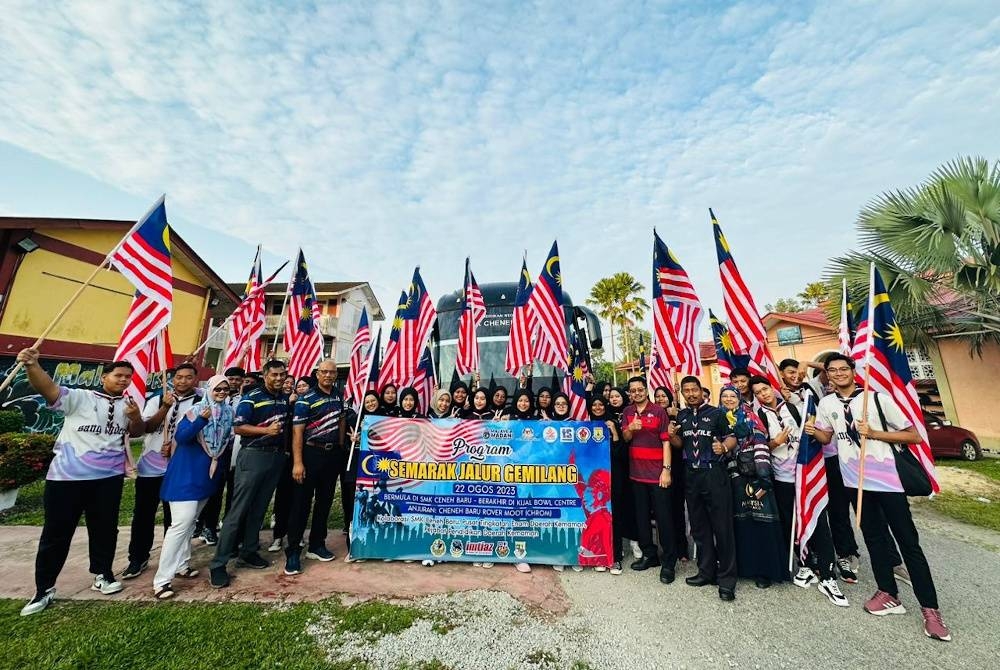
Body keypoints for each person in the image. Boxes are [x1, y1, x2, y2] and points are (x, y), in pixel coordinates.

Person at [807, 353, 951, 641]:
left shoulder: (876, 399)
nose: (838, 374)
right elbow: (828, 437)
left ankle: (930, 609)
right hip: (855, 482)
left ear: (853, 371)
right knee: (873, 539)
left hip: (888, 482)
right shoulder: (827, 404)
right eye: (833, 370)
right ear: (828, 375)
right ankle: (888, 593)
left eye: (843, 369)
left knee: (908, 543)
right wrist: (814, 431)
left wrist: (874, 433)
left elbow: (913, 435)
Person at [17, 349, 145, 616]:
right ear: (104, 377)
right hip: (67, 478)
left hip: (108, 479)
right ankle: (44, 588)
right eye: (118, 375)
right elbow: (48, 389)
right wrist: (32, 365)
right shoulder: (79, 398)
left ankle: (103, 574)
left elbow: (136, 432)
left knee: (105, 530)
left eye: (128, 376)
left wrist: (135, 417)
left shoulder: (129, 404)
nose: (123, 380)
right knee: (56, 533)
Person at [751, 375, 847, 606]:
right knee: (790, 522)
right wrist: (775, 442)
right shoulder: (758, 416)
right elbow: (759, 446)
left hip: (806, 474)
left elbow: (823, 436)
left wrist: (812, 430)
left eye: (765, 389)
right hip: (782, 477)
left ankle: (828, 573)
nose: (763, 394)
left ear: (772, 388)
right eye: (758, 393)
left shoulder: (796, 408)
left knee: (818, 520)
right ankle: (805, 564)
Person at [209, 360, 290, 588]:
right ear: (265, 375)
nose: (279, 378)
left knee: (259, 508)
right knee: (239, 510)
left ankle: (249, 550)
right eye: (274, 374)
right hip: (253, 455)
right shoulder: (251, 397)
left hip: (275, 457)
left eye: (282, 375)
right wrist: (265, 430)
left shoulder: (284, 398)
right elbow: (238, 427)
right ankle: (219, 563)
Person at [152, 375, 233, 599]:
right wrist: (201, 420)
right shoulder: (196, 410)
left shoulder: (227, 413)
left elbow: (225, 442)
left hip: (207, 476)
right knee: (180, 525)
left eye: (225, 389)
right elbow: (182, 436)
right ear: (209, 389)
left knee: (190, 523)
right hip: (185, 476)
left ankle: (182, 563)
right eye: (217, 389)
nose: (222, 392)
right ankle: (162, 580)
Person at [121, 364, 201, 580]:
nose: (183, 381)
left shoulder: (199, 402)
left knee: (176, 519)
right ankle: (137, 558)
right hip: (151, 467)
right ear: (173, 379)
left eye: (188, 377)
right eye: (179, 377)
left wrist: (175, 448)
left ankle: (177, 561)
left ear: (195, 380)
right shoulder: (158, 399)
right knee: (143, 514)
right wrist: (165, 407)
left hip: (180, 468)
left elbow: (199, 434)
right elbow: (145, 427)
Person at [671, 375, 738, 601]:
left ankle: (727, 580)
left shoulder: (717, 413)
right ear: (682, 393)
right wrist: (671, 436)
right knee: (699, 527)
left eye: (694, 390)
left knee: (722, 528)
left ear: (701, 391)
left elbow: (731, 438)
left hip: (714, 473)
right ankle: (706, 571)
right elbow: (680, 444)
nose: (691, 394)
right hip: (691, 475)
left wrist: (724, 447)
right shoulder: (682, 415)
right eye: (686, 390)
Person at [719, 385, 788, 590]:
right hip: (732, 477)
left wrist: (763, 474)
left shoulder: (749, 416)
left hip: (756, 475)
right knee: (740, 523)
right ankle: (743, 566)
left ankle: (765, 570)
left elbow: (760, 442)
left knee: (761, 521)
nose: (728, 399)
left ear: (739, 398)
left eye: (732, 396)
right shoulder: (719, 418)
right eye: (725, 396)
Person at [283, 359, 344, 575]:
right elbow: (297, 432)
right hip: (310, 453)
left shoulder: (338, 395)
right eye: (324, 372)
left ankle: (317, 544)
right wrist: (298, 462)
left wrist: (340, 446)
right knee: (301, 504)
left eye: (332, 372)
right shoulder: (305, 399)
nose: (328, 375)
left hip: (331, 455)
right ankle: (293, 551)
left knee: (324, 502)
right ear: (317, 374)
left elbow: (341, 421)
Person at [621, 376, 676, 585]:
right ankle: (649, 555)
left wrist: (666, 470)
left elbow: (666, 442)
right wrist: (631, 429)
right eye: (633, 390)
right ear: (630, 393)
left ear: (646, 390)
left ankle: (669, 563)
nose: (637, 393)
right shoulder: (628, 412)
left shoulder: (659, 411)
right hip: (636, 475)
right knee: (642, 518)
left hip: (657, 475)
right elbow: (626, 438)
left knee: (664, 519)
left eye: (640, 389)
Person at [196, 365, 245, 545]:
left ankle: (219, 525)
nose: (223, 391)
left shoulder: (237, 405)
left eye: (237, 380)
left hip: (228, 452)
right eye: (230, 379)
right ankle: (202, 525)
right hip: (205, 454)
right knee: (207, 491)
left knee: (225, 490)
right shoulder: (200, 405)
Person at [590, 395, 632, 576]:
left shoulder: (613, 423)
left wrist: (614, 432)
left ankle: (615, 557)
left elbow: (621, 453)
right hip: (594, 481)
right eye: (594, 405)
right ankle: (599, 555)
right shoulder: (584, 425)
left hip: (613, 477)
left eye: (601, 404)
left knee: (613, 516)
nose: (598, 408)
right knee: (596, 516)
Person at [653, 385, 688, 562]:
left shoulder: (679, 415)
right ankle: (666, 549)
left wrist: (673, 417)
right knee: (662, 511)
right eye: (657, 396)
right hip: (656, 467)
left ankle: (682, 549)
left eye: (663, 396)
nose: (660, 399)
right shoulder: (654, 416)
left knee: (677, 508)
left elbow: (680, 444)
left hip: (677, 467)